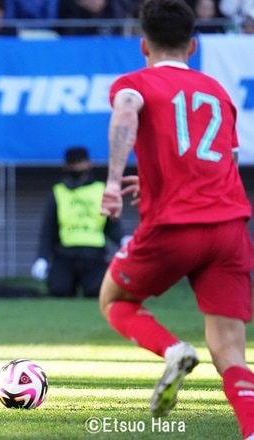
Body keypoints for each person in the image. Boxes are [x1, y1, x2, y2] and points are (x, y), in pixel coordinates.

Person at [99, 0, 254, 437]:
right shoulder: (219, 94)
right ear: (194, 45)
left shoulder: (136, 83)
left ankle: (172, 351)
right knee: (231, 352)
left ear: (143, 44)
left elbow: (126, 109)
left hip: (175, 227)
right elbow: (226, 160)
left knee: (116, 301)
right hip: (229, 229)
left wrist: (114, 182)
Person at [31, 146, 129, 298]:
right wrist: (42, 258)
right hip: (65, 255)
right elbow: (48, 230)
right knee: (59, 291)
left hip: (94, 255)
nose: (77, 167)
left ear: (89, 164)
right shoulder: (58, 191)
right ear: (65, 166)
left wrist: (123, 239)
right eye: (73, 164)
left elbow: (112, 225)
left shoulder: (101, 189)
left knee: (96, 291)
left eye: (80, 163)